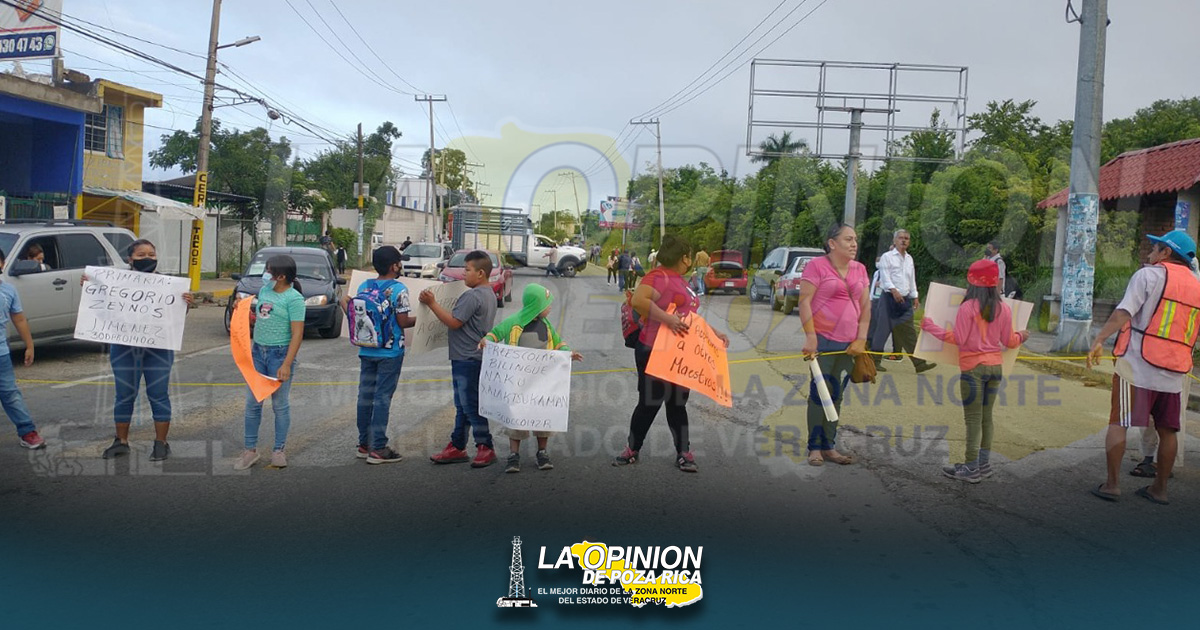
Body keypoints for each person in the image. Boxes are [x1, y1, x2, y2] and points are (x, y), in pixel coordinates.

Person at [1087, 230, 1200, 505]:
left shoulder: (1148, 275)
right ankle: (1159, 489)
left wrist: (1100, 339)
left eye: (1155, 247)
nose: (1150, 252)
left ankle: (1112, 485)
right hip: (1174, 371)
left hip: (1136, 366)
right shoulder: (1198, 286)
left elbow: (1124, 312)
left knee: (1119, 423)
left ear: (1167, 252)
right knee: (1168, 430)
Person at [613, 234, 728, 473]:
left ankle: (683, 453)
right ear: (684, 258)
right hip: (655, 349)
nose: (691, 261)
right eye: (690, 257)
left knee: (677, 404)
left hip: (679, 354)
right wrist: (667, 319)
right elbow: (639, 301)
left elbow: (690, 317)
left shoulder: (682, 281)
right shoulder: (658, 276)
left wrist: (713, 333)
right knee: (649, 403)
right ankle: (632, 449)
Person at [921, 259, 1029, 483]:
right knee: (986, 418)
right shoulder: (1003, 307)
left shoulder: (968, 307)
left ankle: (970, 468)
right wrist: (1022, 336)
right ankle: (983, 464)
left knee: (972, 419)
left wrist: (930, 327)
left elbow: (959, 339)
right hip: (995, 368)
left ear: (971, 282)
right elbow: (1009, 341)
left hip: (973, 369)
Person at [97, 240, 195, 461]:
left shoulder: (168, 285)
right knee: (124, 396)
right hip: (124, 348)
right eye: (141, 255)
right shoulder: (115, 282)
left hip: (158, 349)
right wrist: (91, 286)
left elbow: (176, 316)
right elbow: (100, 307)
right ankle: (120, 441)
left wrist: (185, 303)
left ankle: (161, 443)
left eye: (151, 254)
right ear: (130, 259)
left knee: (158, 395)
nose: (148, 258)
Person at [480, 283, 582, 473]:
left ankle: (542, 452)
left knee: (543, 416)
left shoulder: (547, 325)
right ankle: (513, 455)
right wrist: (488, 341)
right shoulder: (514, 321)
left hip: (542, 383)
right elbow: (496, 333)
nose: (550, 307)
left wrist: (569, 353)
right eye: (547, 304)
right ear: (536, 305)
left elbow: (559, 344)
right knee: (516, 417)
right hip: (518, 382)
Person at [797, 223, 870, 467]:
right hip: (823, 340)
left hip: (850, 344)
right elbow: (805, 301)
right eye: (848, 239)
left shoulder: (860, 269)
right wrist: (810, 336)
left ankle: (829, 445)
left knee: (837, 395)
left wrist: (861, 338)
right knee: (820, 394)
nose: (854, 244)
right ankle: (814, 447)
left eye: (855, 240)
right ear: (832, 243)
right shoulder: (816, 267)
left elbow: (866, 307)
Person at [421, 250, 499, 468]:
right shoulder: (489, 294)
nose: (463, 274)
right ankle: (457, 445)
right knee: (463, 404)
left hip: (467, 357)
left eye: (467, 270)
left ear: (481, 273)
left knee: (470, 404)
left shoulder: (472, 296)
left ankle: (486, 446)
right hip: (472, 356)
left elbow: (455, 322)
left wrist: (432, 303)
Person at [341, 246, 415, 464]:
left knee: (365, 397)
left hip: (367, 349)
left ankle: (364, 444)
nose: (401, 266)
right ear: (394, 266)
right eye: (399, 262)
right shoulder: (399, 289)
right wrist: (424, 320)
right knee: (382, 398)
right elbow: (403, 322)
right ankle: (379, 448)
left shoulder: (365, 285)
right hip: (390, 353)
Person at [234, 255, 306, 470]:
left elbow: (297, 333)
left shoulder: (294, 299)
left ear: (281, 276)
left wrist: (286, 363)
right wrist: (242, 308)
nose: (265, 274)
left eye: (269, 271)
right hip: (258, 353)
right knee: (252, 404)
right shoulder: (265, 291)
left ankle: (279, 450)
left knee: (279, 405)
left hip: (279, 355)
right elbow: (260, 316)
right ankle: (250, 450)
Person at [872, 229, 936, 373]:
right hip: (889, 298)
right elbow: (885, 276)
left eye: (906, 238)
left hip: (904, 299)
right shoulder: (887, 257)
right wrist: (893, 290)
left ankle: (919, 364)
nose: (904, 240)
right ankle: (874, 361)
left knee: (909, 333)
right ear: (894, 241)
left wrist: (915, 296)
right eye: (901, 238)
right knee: (882, 330)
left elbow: (911, 279)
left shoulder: (909, 259)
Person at [0, 249, 44, 450]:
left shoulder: (8, 290)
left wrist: (29, 345)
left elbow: (18, 318)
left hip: (1, 355)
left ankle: (27, 432)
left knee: (10, 394)